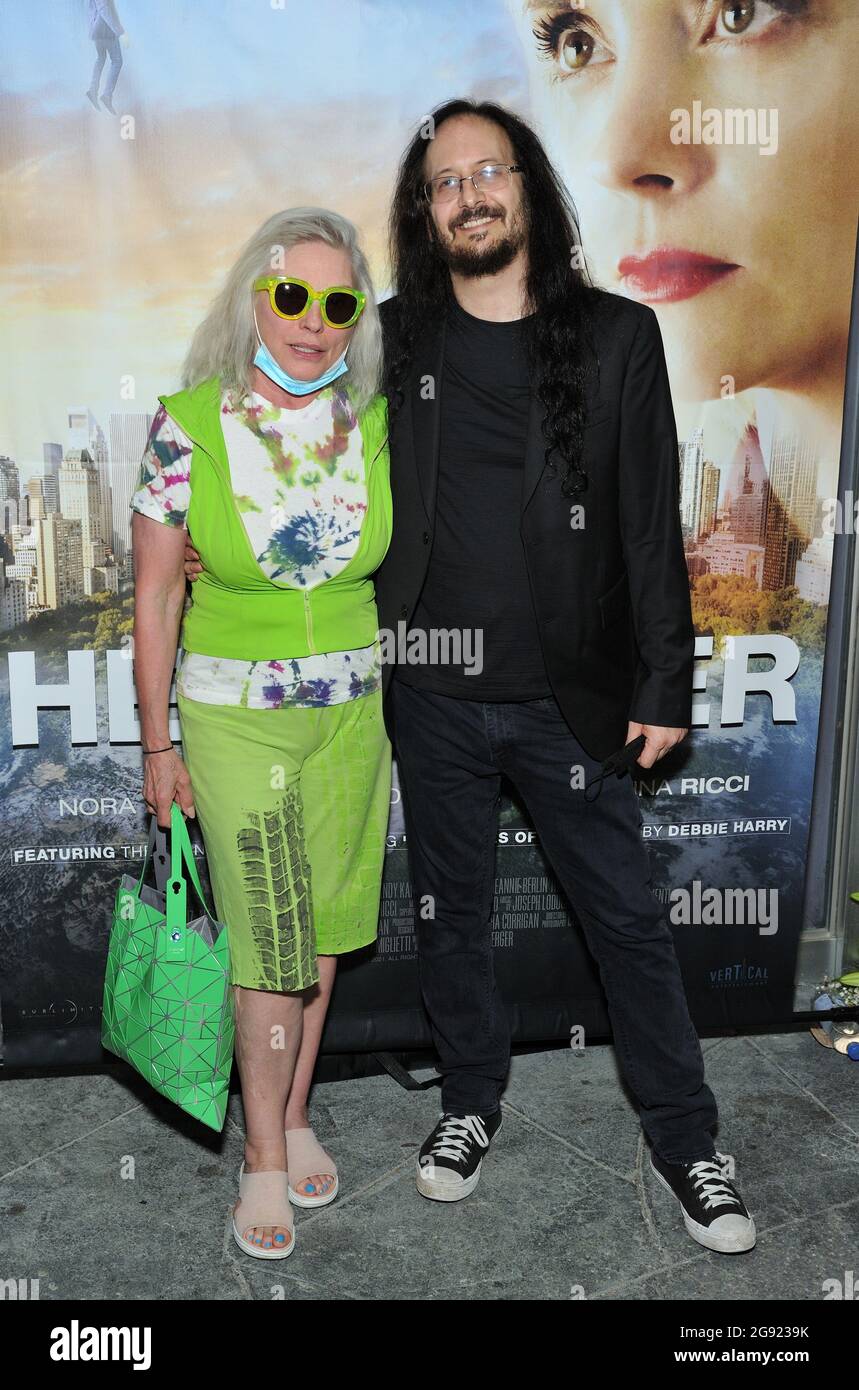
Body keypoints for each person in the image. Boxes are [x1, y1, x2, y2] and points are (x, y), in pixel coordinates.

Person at [374, 98, 755, 1254]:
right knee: (450, 919)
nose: (470, 194)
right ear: (424, 211)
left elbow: (647, 528)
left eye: (489, 171)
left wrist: (662, 685)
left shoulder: (616, 337)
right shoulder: (392, 339)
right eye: (445, 182)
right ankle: (466, 1105)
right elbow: (310, 485)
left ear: (528, 189)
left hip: (571, 699)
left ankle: (687, 1140)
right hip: (429, 691)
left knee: (626, 923)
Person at [131, 207, 392, 1260]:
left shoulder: (373, 421)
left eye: (338, 303)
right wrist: (158, 746)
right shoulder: (185, 423)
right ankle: (263, 1162)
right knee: (271, 944)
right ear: (254, 296)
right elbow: (152, 598)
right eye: (293, 295)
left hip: (354, 718)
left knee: (323, 936)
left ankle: (287, 1110)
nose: (313, 322)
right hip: (237, 722)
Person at [85, 0, 126, 115]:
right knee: (117, 60)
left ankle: (93, 90)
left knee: (101, 58)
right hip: (105, 28)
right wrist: (120, 32)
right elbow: (105, 9)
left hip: (97, 29)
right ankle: (107, 95)